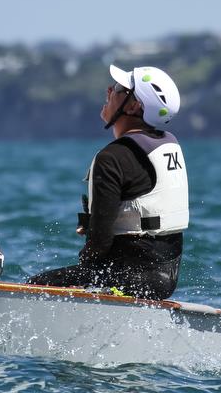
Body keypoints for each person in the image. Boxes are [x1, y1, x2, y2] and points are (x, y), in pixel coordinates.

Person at [27, 63, 188, 300]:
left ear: (134, 106)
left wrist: (85, 263)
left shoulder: (112, 158)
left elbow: (100, 244)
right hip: (165, 279)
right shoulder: (168, 144)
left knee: (36, 286)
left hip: (130, 277)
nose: (109, 91)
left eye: (118, 88)